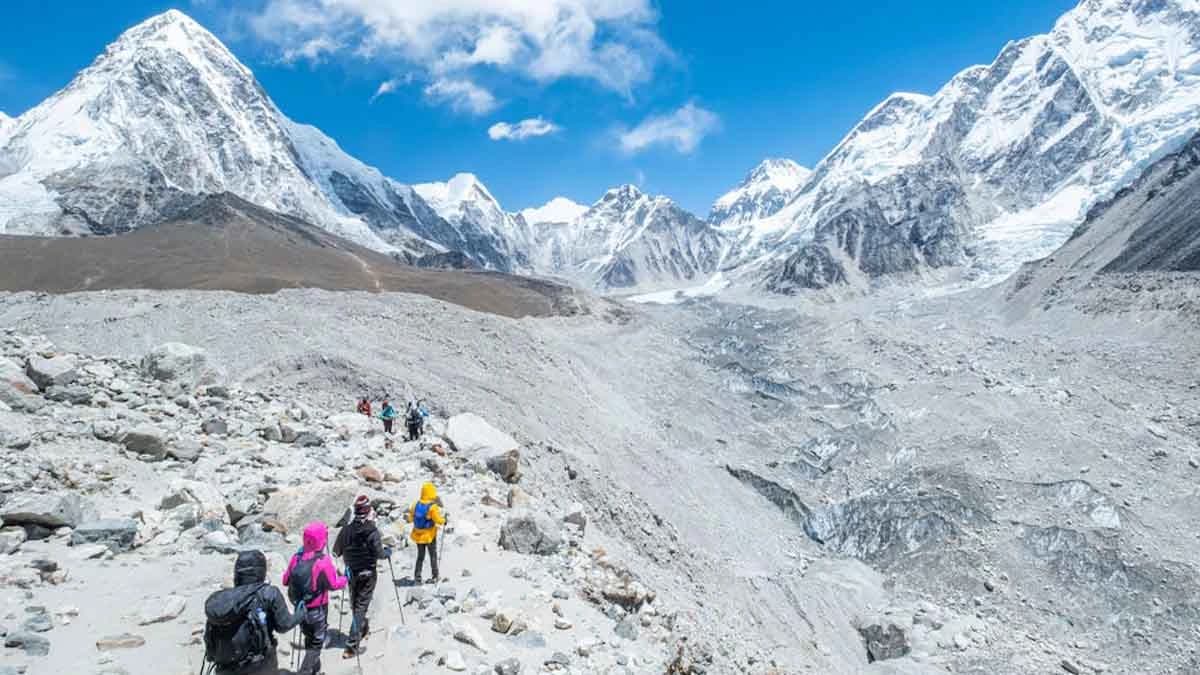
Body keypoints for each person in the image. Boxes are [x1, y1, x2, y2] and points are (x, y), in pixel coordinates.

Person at [203, 550, 305, 675]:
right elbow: (284, 625)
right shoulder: (269, 593)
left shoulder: (223, 600)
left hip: (225, 667)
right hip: (259, 665)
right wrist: (301, 614)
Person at [283, 521, 348, 675]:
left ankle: (315, 671)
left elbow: (285, 581)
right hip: (317, 608)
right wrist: (345, 579)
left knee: (309, 638)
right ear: (322, 539)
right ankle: (305, 671)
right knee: (317, 643)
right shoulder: (322, 561)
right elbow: (333, 585)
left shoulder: (296, 558)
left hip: (299, 609)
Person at [333, 496, 392, 658]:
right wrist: (388, 552)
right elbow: (380, 554)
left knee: (355, 604)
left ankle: (363, 627)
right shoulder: (371, 530)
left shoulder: (345, 530)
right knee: (361, 606)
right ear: (368, 511)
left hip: (351, 573)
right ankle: (351, 646)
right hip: (368, 573)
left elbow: (335, 551)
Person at [406, 482, 446, 584]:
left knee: (420, 556)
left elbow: (410, 519)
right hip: (429, 535)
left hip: (418, 535)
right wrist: (444, 521)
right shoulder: (432, 506)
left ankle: (417, 577)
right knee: (433, 555)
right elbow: (438, 520)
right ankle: (435, 575)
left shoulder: (415, 504)